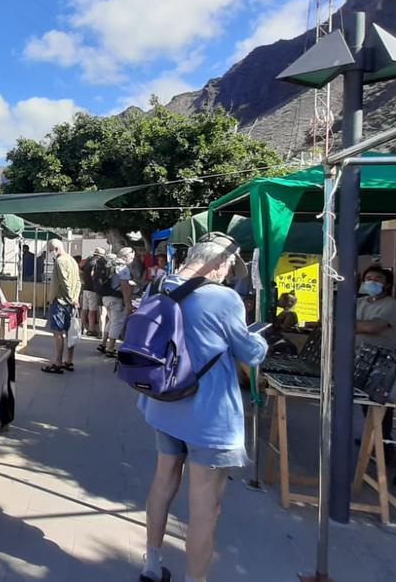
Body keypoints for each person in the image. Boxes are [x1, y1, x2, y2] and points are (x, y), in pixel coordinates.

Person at [139, 233, 268, 582]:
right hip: (208, 415)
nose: (227, 275)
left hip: (163, 404)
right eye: (227, 268)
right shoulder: (224, 298)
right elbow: (250, 354)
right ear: (218, 264)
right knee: (205, 507)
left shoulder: (157, 287)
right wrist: (259, 338)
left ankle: (151, 565)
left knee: (163, 480)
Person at [41, 239, 81, 374]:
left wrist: (71, 298)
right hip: (70, 302)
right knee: (70, 333)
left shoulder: (60, 261)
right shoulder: (72, 260)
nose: (49, 253)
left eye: (50, 249)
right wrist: (75, 298)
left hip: (60, 301)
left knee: (58, 333)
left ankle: (57, 363)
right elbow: (77, 281)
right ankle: (69, 361)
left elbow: (64, 282)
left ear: (56, 249)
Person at [98, 247, 136, 356]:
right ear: (125, 257)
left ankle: (103, 343)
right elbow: (124, 286)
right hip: (116, 298)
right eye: (131, 257)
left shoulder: (111, 264)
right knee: (117, 322)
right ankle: (110, 349)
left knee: (111, 320)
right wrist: (128, 302)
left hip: (106, 297)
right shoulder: (123, 268)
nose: (132, 260)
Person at [356, 265, 396, 350]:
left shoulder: (393, 305)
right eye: (368, 279)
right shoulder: (358, 302)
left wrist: (347, 325)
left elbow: (371, 327)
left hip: (382, 354)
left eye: (378, 279)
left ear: (387, 285)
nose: (372, 282)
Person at [79, 247, 107, 337]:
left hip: (85, 288)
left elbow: (80, 271)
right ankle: (91, 328)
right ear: (100, 256)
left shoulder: (87, 262)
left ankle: (82, 327)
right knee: (92, 310)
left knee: (84, 309)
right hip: (92, 289)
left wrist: (83, 281)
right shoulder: (96, 264)